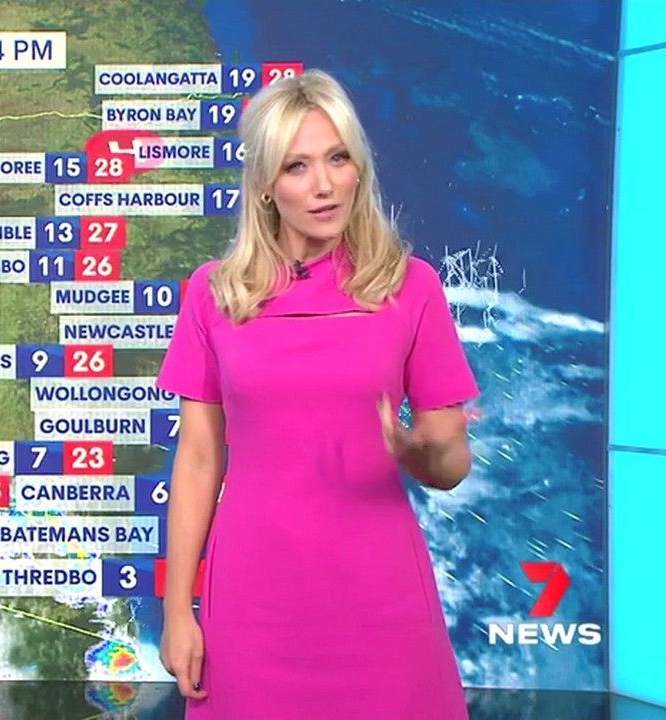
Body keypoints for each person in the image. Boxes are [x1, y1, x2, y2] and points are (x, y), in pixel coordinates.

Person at [155, 69, 479, 719]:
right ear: (265, 185)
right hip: (252, 607)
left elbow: (450, 465)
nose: (324, 185)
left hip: (381, 605)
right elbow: (198, 459)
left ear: (360, 168)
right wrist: (178, 613)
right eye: (297, 167)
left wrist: (424, 453)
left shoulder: (411, 287)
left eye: (338, 158)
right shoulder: (215, 294)